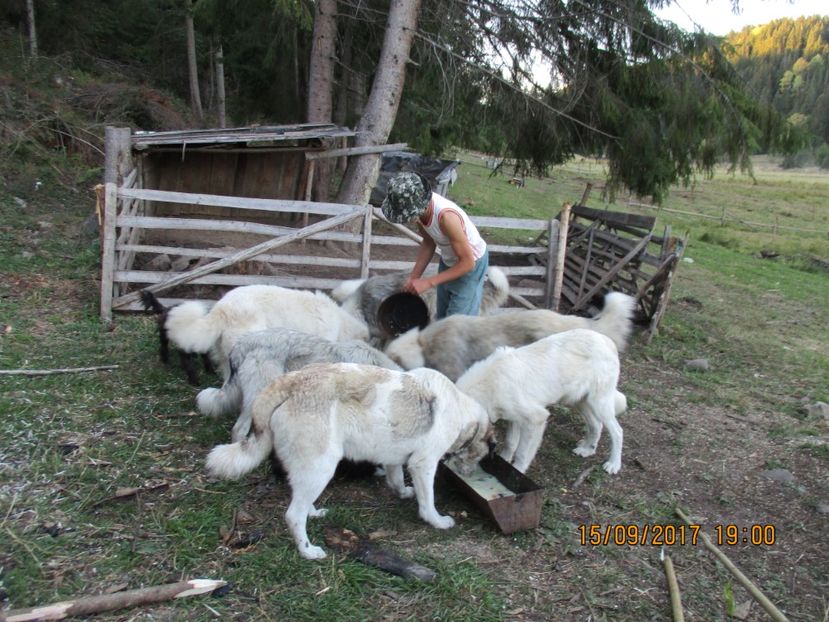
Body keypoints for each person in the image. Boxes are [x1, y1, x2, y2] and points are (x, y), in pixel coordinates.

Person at [381, 172, 489, 319]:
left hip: (471, 264)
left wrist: (428, 282)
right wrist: (414, 277)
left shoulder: (446, 218)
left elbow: (468, 263)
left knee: (456, 322)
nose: (405, 219)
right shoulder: (421, 212)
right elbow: (428, 242)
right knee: (442, 316)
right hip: (449, 259)